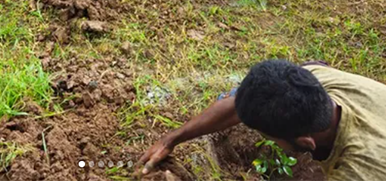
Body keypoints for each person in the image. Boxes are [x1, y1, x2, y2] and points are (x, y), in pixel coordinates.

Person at [139, 59, 386, 181]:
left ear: (305, 142)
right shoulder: (316, 78)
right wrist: (172, 139)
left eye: (269, 137)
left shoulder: (362, 171)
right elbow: (240, 105)